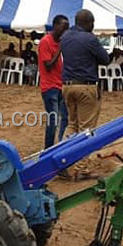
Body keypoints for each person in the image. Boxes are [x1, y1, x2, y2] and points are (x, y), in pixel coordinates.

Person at [60, 9, 110, 179]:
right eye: (92, 23)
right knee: (86, 129)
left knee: (71, 124)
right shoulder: (90, 39)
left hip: (67, 87)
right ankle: (82, 169)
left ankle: (61, 162)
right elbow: (105, 59)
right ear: (88, 22)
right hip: (86, 87)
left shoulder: (65, 37)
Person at [38, 15, 69, 149]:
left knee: (65, 118)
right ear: (55, 26)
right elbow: (48, 65)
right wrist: (60, 49)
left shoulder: (61, 42)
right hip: (49, 87)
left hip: (60, 85)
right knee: (53, 120)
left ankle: (61, 144)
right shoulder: (46, 42)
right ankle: (48, 148)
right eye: (63, 28)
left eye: (67, 28)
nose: (65, 31)